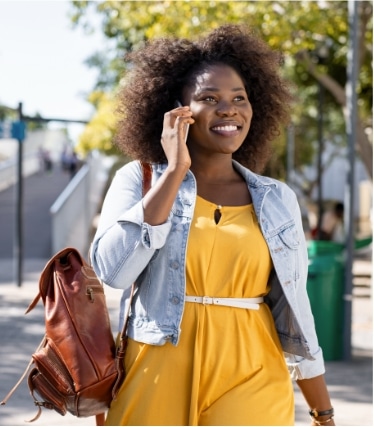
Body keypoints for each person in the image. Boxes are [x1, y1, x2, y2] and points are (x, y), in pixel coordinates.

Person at [90, 24, 335, 426]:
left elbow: (295, 305)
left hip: (252, 369)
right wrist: (174, 172)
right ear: (178, 111)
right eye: (210, 98)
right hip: (156, 365)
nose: (229, 109)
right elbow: (113, 272)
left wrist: (322, 410)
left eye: (239, 98)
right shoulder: (140, 180)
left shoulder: (276, 198)